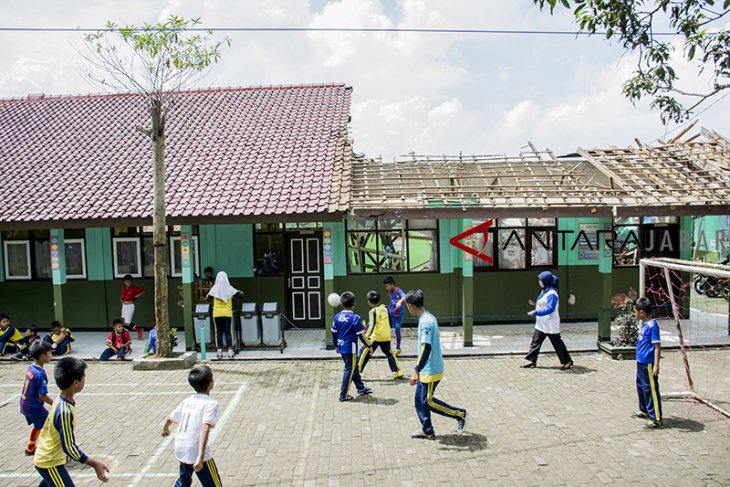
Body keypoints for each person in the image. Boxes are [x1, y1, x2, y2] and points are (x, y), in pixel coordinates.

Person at [34, 357, 109, 486]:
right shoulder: (64, 411)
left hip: (49, 458)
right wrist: (94, 463)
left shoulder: (63, 399)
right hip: (50, 462)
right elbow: (69, 446)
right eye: (83, 377)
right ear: (76, 383)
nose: (85, 380)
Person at [406, 289, 467, 440]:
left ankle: (459, 414)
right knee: (419, 401)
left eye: (407, 306)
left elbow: (427, 348)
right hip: (426, 368)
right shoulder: (426, 317)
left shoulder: (426, 322)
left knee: (428, 401)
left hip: (431, 369)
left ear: (412, 306)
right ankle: (428, 431)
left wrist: (416, 370)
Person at [162, 365, 224, 487]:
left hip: (181, 446)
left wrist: (165, 428)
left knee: (184, 479)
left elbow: (171, 418)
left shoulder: (188, 400)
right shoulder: (211, 404)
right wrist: (200, 457)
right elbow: (205, 427)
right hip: (196, 450)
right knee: (214, 484)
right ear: (211, 383)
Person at [521, 271, 573, 370]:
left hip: (550, 323)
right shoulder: (544, 290)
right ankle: (531, 360)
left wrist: (535, 312)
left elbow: (550, 308)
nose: (539, 282)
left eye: (541, 280)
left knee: (557, 343)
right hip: (541, 323)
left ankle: (567, 361)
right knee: (535, 341)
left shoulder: (552, 293)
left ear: (546, 281)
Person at [331, 291, 373, 402]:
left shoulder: (337, 317)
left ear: (341, 303)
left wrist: (336, 345)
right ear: (354, 303)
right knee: (349, 369)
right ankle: (343, 395)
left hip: (341, 347)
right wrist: (368, 345)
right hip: (351, 348)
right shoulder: (355, 318)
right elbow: (361, 335)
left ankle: (360, 388)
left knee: (352, 368)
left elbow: (334, 333)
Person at [632, 297, 664, 429]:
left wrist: (656, 364)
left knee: (650, 390)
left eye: (635, 311)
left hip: (648, 364)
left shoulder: (653, 326)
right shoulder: (645, 325)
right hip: (641, 362)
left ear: (642, 312)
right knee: (641, 386)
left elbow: (657, 346)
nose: (634, 314)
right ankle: (644, 410)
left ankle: (656, 418)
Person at [357, 290, 404, 379]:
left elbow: (371, 326)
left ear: (369, 302)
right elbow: (390, 321)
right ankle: (397, 371)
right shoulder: (384, 309)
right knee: (389, 353)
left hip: (376, 336)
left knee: (364, 351)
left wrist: (366, 339)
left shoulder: (373, 311)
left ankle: (357, 372)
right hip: (386, 336)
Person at [19, 341, 54, 456]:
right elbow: (42, 395)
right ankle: (49, 451)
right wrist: (54, 403)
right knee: (50, 426)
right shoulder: (40, 374)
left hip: (25, 404)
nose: (51, 355)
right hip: (34, 406)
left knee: (39, 425)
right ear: (43, 356)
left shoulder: (32, 367)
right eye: (50, 353)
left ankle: (30, 448)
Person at [206, 271, 244, 360]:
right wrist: (239, 292)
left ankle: (219, 352)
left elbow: (208, 299)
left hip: (217, 314)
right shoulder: (229, 288)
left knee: (218, 332)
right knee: (228, 332)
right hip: (227, 314)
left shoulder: (214, 289)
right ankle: (230, 351)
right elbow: (241, 295)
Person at [383, 277, 407, 355]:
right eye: (385, 286)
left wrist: (400, 301)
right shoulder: (390, 292)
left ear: (392, 284)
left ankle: (398, 348)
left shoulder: (398, 290)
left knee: (397, 330)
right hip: (391, 312)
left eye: (387, 286)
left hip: (398, 315)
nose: (386, 288)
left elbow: (404, 297)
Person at [121, 274, 145, 340]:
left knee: (127, 323)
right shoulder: (124, 288)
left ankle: (124, 337)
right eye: (126, 282)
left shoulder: (134, 288)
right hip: (124, 305)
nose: (128, 283)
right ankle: (139, 329)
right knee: (124, 321)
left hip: (130, 306)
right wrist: (122, 301)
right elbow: (122, 296)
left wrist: (135, 297)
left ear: (131, 282)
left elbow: (142, 291)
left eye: (129, 282)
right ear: (124, 282)